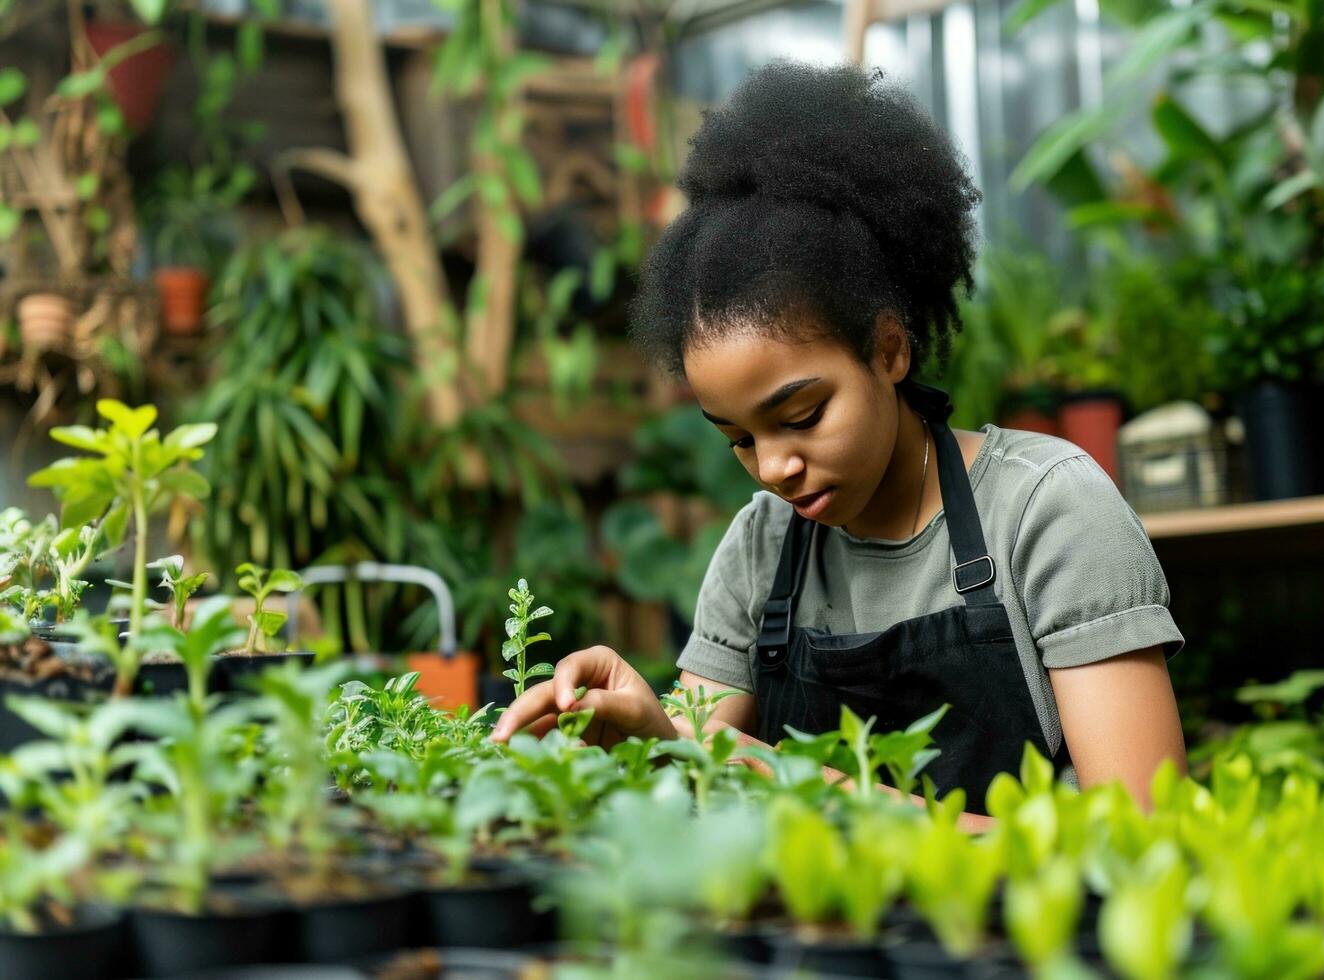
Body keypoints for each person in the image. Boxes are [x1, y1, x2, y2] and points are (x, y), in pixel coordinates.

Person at [492, 59, 1186, 812]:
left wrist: (770, 772)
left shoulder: (1048, 512)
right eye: (738, 438)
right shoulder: (761, 550)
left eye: (800, 417)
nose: (774, 468)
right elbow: (691, 782)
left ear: (889, 350)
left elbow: (1134, 836)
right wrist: (630, 728)